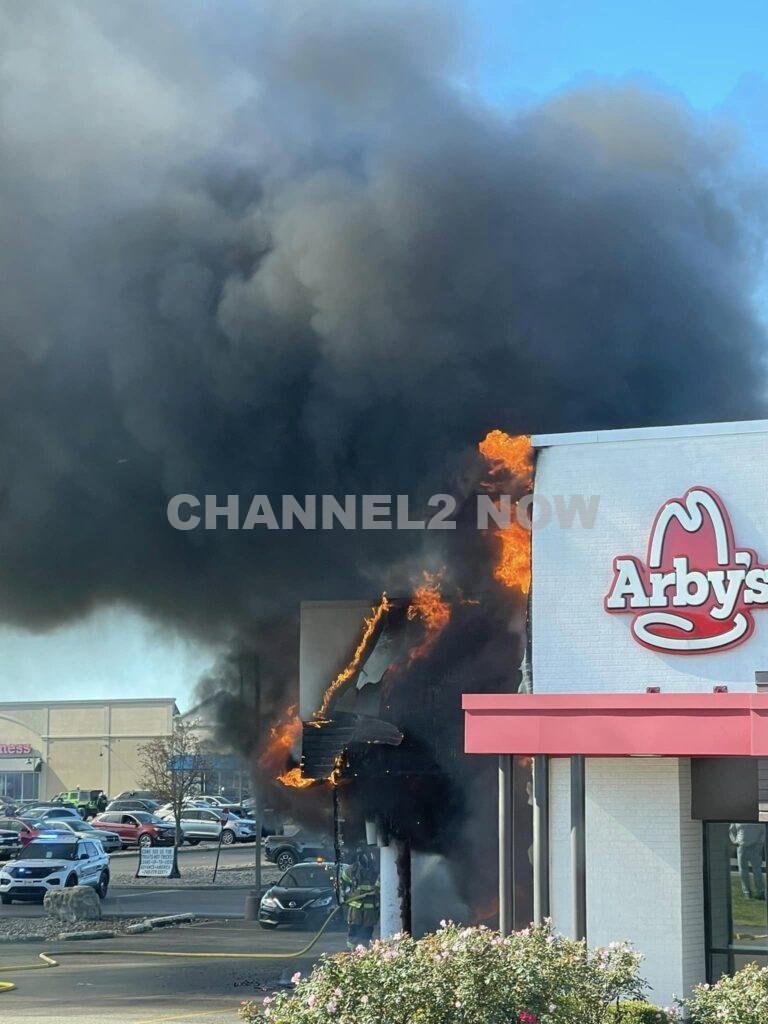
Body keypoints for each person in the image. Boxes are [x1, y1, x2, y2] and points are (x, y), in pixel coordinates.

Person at [341, 851, 380, 949]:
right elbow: (343, 883)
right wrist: (344, 895)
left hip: (370, 910)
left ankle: (364, 952)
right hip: (356, 909)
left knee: (366, 933)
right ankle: (352, 952)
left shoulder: (377, 872)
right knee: (354, 932)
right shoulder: (351, 870)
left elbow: (379, 889)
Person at [729, 823, 766, 899]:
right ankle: (747, 893)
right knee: (743, 871)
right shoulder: (737, 818)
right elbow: (731, 830)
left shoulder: (754, 818)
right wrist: (735, 841)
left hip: (754, 846)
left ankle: (761, 891)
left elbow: (763, 830)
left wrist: (760, 843)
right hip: (741, 847)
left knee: (757, 870)